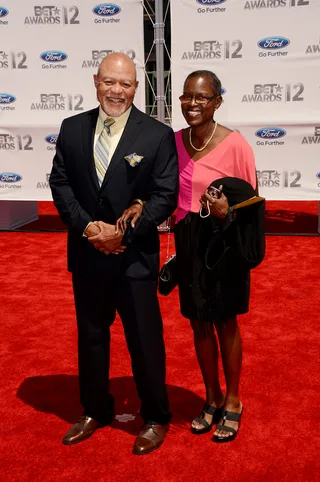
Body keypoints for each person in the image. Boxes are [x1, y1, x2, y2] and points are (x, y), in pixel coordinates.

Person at [49, 52, 178, 455]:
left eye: (124, 84)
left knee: (144, 341)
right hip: (87, 254)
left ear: (136, 88)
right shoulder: (72, 128)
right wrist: (89, 228)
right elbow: (61, 183)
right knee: (91, 338)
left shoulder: (156, 134)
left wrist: (121, 232)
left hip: (133, 257)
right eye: (109, 82)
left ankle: (155, 416)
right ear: (96, 81)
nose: (116, 91)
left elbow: (165, 194)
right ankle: (95, 409)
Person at [174, 70, 265, 442]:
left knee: (226, 320)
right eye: (186, 97)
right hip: (188, 237)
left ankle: (232, 400)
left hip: (223, 239)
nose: (193, 104)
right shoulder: (174, 141)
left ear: (217, 101)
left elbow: (252, 202)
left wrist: (229, 212)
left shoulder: (236, 144)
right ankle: (210, 397)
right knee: (198, 322)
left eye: (202, 97)